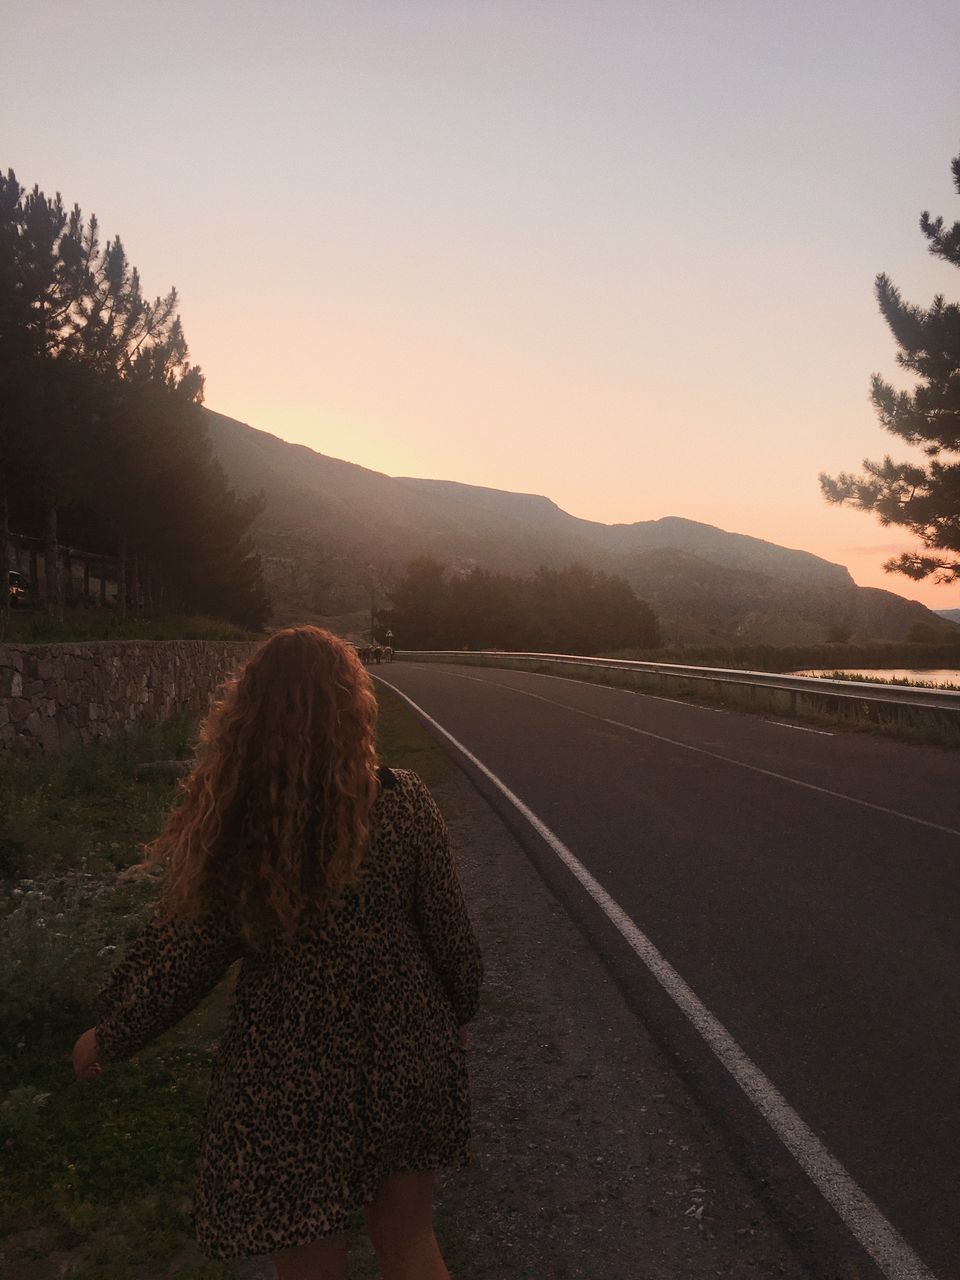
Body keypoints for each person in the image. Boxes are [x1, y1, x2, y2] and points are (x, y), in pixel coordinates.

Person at [72, 626, 483, 1280]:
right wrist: (455, 1019)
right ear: (353, 707)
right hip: (409, 1054)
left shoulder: (249, 828)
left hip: (294, 1067)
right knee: (408, 1242)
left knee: (309, 1249)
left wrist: (113, 1033)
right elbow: (455, 944)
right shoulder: (406, 803)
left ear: (251, 713)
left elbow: (188, 957)